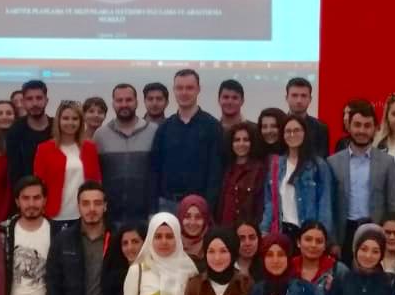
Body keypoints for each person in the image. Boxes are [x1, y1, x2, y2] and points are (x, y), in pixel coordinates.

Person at [328, 100, 395, 256]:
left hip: (376, 230)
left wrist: (390, 237)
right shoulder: (333, 162)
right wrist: (332, 241)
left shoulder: (387, 162)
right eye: (357, 125)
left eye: (367, 126)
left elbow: (393, 205)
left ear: (375, 128)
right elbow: (329, 206)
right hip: (343, 233)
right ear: (348, 127)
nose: (362, 130)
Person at [151, 68, 224, 211]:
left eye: (189, 88)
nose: (184, 92)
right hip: (167, 205)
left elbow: (215, 173)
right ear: (174, 90)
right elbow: (154, 171)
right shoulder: (164, 128)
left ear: (198, 90)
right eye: (179, 88)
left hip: (199, 206)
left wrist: (209, 207)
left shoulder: (212, 127)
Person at [260, 113, 335, 239]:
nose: (292, 134)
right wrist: (264, 230)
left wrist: (322, 236)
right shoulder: (276, 164)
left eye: (296, 130)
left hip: (308, 233)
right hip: (282, 232)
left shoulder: (319, 165)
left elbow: (325, 204)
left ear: (305, 133)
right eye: (288, 131)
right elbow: (270, 202)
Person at [94, 82, 159, 227]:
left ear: (136, 102)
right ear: (113, 103)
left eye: (128, 100)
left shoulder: (154, 131)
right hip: (110, 217)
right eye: (119, 100)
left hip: (145, 216)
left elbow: (158, 175)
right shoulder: (100, 135)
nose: (124, 104)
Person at [33, 99, 102, 224]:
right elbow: (38, 185)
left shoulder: (90, 148)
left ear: (81, 122)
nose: (70, 122)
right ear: (58, 121)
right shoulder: (44, 149)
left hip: (85, 215)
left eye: (75, 119)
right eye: (65, 118)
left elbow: (96, 182)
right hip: (54, 216)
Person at [216, 122, 266, 230]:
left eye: (246, 140)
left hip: (245, 231)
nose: (241, 143)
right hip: (225, 229)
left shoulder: (259, 170)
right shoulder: (226, 168)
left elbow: (260, 206)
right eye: (237, 140)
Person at [6, 79, 53, 187]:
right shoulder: (15, 130)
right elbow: (14, 171)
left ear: (46, 100)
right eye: (29, 99)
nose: (35, 103)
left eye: (39, 98)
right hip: (25, 191)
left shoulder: (57, 128)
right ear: (23, 102)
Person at [282, 77, 329, 157]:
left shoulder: (320, 128)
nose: (299, 100)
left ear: (310, 99)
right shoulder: (279, 124)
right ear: (286, 98)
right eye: (294, 95)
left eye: (303, 96)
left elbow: (322, 159)